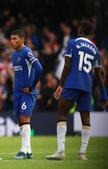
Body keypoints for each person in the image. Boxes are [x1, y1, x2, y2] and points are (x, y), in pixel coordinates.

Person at [46, 20, 108, 161]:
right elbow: (99, 75)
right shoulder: (96, 50)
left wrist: (61, 85)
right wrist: (104, 96)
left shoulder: (73, 43)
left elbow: (67, 65)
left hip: (72, 83)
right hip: (86, 87)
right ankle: (82, 154)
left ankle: (61, 152)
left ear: (79, 30)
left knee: (62, 113)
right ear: (91, 34)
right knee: (86, 119)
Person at [10, 30, 43, 159]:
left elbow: (39, 68)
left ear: (22, 39)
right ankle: (28, 151)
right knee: (20, 120)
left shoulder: (27, 52)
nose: (12, 41)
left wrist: (32, 87)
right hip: (17, 92)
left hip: (27, 93)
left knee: (24, 119)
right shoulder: (14, 54)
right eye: (11, 39)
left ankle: (23, 151)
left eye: (15, 38)